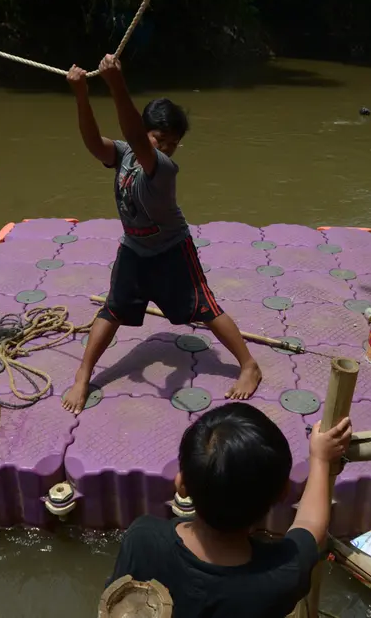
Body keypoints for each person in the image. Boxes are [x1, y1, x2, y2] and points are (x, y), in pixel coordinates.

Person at [61, 54, 262, 414]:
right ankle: (83, 373)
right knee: (112, 310)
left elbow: (136, 137)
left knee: (206, 308)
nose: (164, 147)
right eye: (160, 138)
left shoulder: (164, 168)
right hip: (135, 249)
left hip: (172, 250)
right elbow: (94, 144)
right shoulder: (124, 154)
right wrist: (81, 95)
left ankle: (249, 364)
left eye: (172, 141)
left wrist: (117, 85)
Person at [105, 402, 352, 618]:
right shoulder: (281, 574)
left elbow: (115, 604)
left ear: (182, 485)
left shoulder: (142, 539)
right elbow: (310, 524)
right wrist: (320, 459)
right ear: (283, 494)